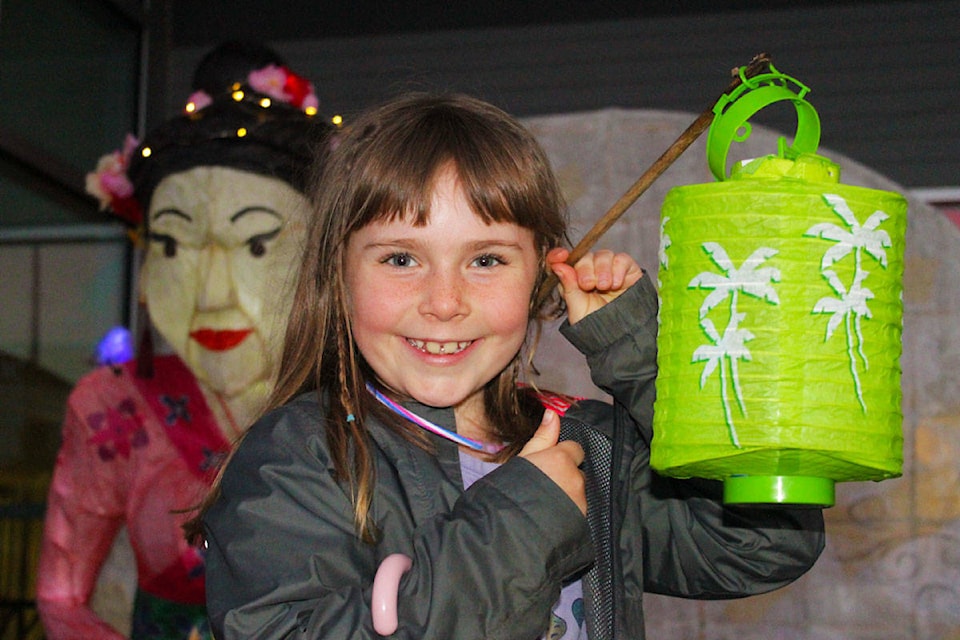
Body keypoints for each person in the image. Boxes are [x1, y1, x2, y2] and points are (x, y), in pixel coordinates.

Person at [197, 92, 825, 639]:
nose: (444, 303)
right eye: (400, 259)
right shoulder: (301, 456)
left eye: (487, 260)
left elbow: (758, 547)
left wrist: (638, 356)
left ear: (542, 277)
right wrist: (520, 524)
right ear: (338, 275)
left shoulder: (591, 446)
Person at [36, 42, 336, 639]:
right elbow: (61, 597)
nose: (212, 294)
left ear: (324, 262)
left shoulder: (365, 395)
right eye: (174, 246)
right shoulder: (112, 408)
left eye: (256, 245)